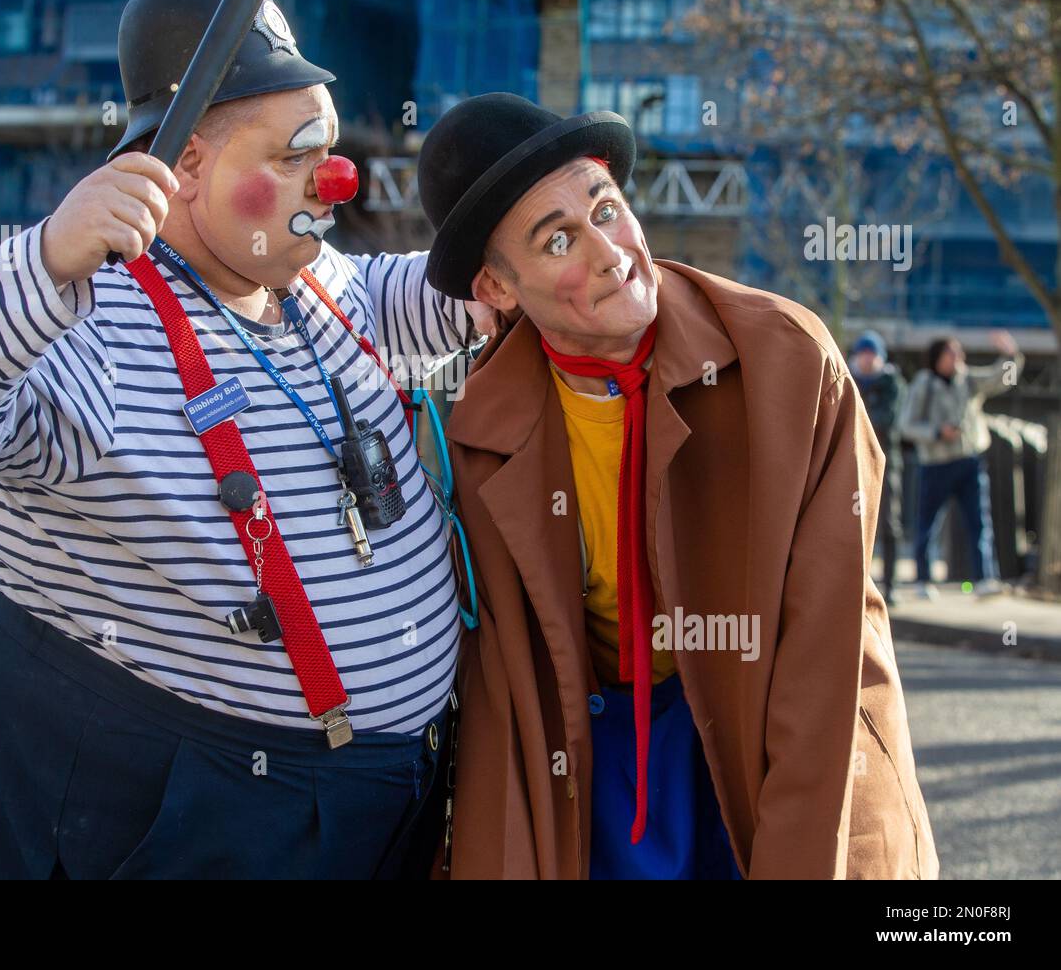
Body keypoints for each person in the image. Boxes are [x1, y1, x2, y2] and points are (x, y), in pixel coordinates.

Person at [0, 0, 483, 879]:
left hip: (379, 805)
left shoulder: (324, 286)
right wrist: (43, 259)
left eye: (330, 148)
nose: (334, 181)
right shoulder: (90, 319)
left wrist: (525, 252)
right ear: (185, 165)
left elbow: (448, 292)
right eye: (294, 157)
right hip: (207, 816)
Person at [417, 92, 938, 879]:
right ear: (496, 288)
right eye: (558, 240)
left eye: (606, 209)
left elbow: (827, 664)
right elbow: (505, 698)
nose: (610, 252)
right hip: (606, 756)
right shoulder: (474, 428)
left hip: (775, 728)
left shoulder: (789, 364)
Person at [899, 332, 1023, 600]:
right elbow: (906, 425)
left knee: (979, 522)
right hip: (936, 464)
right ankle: (923, 579)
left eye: (959, 353)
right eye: (952, 353)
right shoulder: (924, 384)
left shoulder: (967, 379)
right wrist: (936, 432)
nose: (959, 358)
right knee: (928, 525)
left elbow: (999, 379)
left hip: (969, 460)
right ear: (938, 357)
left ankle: (984, 578)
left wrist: (1011, 356)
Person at [848, 331, 905, 601]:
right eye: (864, 353)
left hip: (885, 462)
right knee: (851, 525)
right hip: (851, 463)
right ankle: (855, 584)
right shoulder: (848, 380)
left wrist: (862, 418)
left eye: (872, 354)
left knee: (888, 524)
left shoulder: (892, 383)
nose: (868, 359)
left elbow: (887, 418)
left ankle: (890, 586)